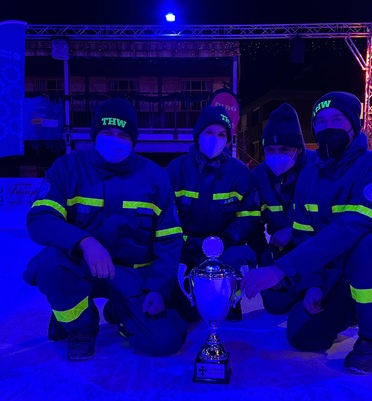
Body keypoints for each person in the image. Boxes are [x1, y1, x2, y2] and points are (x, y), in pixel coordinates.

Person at [242, 91, 372, 374]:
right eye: (320, 122)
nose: (327, 126)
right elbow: (305, 234)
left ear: (354, 124)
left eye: (336, 119)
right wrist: (313, 285)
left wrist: (280, 269)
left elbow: (350, 228)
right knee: (302, 335)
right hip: (341, 268)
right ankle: (353, 308)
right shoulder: (311, 175)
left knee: (369, 246)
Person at [23, 98, 187, 361]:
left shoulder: (155, 177)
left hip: (132, 277)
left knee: (164, 340)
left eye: (123, 134)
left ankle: (119, 311)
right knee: (50, 266)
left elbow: (169, 241)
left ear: (133, 139)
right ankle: (79, 328)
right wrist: (84, 242)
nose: (115, 140)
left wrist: (159, 288)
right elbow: (40, 218)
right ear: (94, 135)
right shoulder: (68, 168)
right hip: (81, 266)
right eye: (107, 132)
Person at [166, 104, 260, 321]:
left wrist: (227, 238)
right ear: (198, 134)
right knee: (187, 313)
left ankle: (229, 301)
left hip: (224, 248)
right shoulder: (176, 169)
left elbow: (250, 215)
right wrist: (183, 245)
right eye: (209, 132)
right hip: (185, 248)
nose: (214, 138)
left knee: (239, 256)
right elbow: (165, 216)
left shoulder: (239, 173)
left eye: (221, 134)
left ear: (227, 139)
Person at [250, 103, 314, 314]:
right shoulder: (259, 176)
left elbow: (331, 224)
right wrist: (267, 265)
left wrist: (292, 231)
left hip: (314, 249)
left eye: (284, 149)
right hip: (279, 252)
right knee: (275, 306)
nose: (277, 156)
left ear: (298, 148)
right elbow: (254, 227)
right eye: (270, 150)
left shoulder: (317, 170)